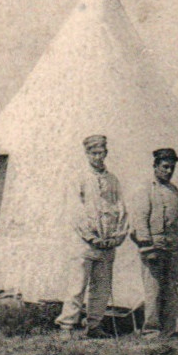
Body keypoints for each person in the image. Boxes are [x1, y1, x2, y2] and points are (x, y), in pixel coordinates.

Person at [56, 134, 129, 338]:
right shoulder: (79, 178)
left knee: (102, 287)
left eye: (101, 153)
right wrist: (90, 236)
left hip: (107, 243)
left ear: (106, 153)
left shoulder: (112, 180)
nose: (98, 157)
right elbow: (75, 210)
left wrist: (117, 235)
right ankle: (67, 326)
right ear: (87, 154)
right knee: (77, 285)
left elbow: (120, 207)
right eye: (94, 153)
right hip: (85, 244)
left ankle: (94, 325)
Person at [131, 147, 178, 338]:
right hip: (154, 248)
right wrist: (147, 248)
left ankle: (172, 329)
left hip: (174, 248)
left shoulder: (174, 190)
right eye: (165, 167)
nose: (169, 171)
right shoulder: (145, 190)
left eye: (172, 167)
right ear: (155, 166)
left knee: (175, 290)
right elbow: (140, 220)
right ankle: (151, 329)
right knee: (153, 290)